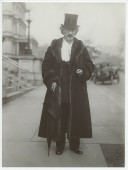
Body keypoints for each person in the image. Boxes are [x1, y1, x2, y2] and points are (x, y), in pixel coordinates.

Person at [38, 13, 94, 155]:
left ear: (77, 31)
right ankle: (60, 145)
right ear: (62, 30)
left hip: (76, 89)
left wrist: (84, 71)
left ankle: (75, 145)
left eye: (73, 29)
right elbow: (46, 66)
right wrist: (51, 80)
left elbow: (89, 64)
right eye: (68, 29)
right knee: (59, 114)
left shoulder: (81, 47)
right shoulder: (54, 46)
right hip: (59, 86)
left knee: (75, 115)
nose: (70, 32)